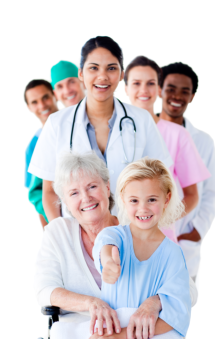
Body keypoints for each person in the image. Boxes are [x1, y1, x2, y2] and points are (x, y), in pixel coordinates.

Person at [35, 152, 196, 339]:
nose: (86, 198)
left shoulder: (139, 227)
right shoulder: (59, 232)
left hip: (138, 326)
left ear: (108, 187)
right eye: (74, 193)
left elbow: (187, 292)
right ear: (65, 202)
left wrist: (156, 302)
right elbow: (45, 291)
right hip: (80, 326)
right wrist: (92, 302)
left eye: (92, 186)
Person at [29, 36, 173, 222]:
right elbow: (49, 192)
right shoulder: (56, 123)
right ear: (81, 73)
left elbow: (161, 180)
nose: (102, 76)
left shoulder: (141, 120)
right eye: (93, 68)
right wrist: (61, 235)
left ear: (122, 74)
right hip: (77, 237)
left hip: (131, 233)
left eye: (111, 68)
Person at [91, 158, 191, 339]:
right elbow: (106, 247)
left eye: (152, 199)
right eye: (134, 200)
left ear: (166, 199)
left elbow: (177, 313)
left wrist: (125, 335)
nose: (143, 208)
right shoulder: (114, 236)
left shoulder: (173, 254)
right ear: (122, 199)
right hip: (110, 334)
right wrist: (108, 263)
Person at [124, 56, 210, 242]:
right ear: (126, 88)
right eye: (136, 83)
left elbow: (192, 196)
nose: (144, 90)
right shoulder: (112, 132)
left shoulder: (178, 134)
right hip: (120, 235)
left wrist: (159, 220)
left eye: (151, 83)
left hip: (162, 238)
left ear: (159, 89)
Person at [159, 62, 215, 279]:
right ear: (160, 90)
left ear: (192, 96)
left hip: (184, 242)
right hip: (146, 238)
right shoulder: (145, 131)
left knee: (178, 308)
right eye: (171, 89)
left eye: (185, 91)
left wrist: (196, 231)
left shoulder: (202, 141)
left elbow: (211, 192)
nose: (177, 96)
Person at [24, 79, 58, 227]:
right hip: (59, 218)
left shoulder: (78, 125)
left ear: (54, 95)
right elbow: (37, 195)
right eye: (34, 102)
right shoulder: (33, 147)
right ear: (29, 107)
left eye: (45, 97)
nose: (42, 105)